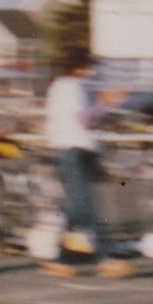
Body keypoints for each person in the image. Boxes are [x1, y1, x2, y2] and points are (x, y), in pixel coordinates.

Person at [41, 47, 132, 279]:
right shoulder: (70, 87)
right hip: (72, 151)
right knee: (84, 207)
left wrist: (104, 103)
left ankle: (62, 260)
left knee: (76, 208)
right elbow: (84, 119)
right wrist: (107, 104)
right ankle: (106, 258)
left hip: (74, 151)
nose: (93, 72)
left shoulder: (70, 86)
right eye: (90, 67)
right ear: (79, 67)